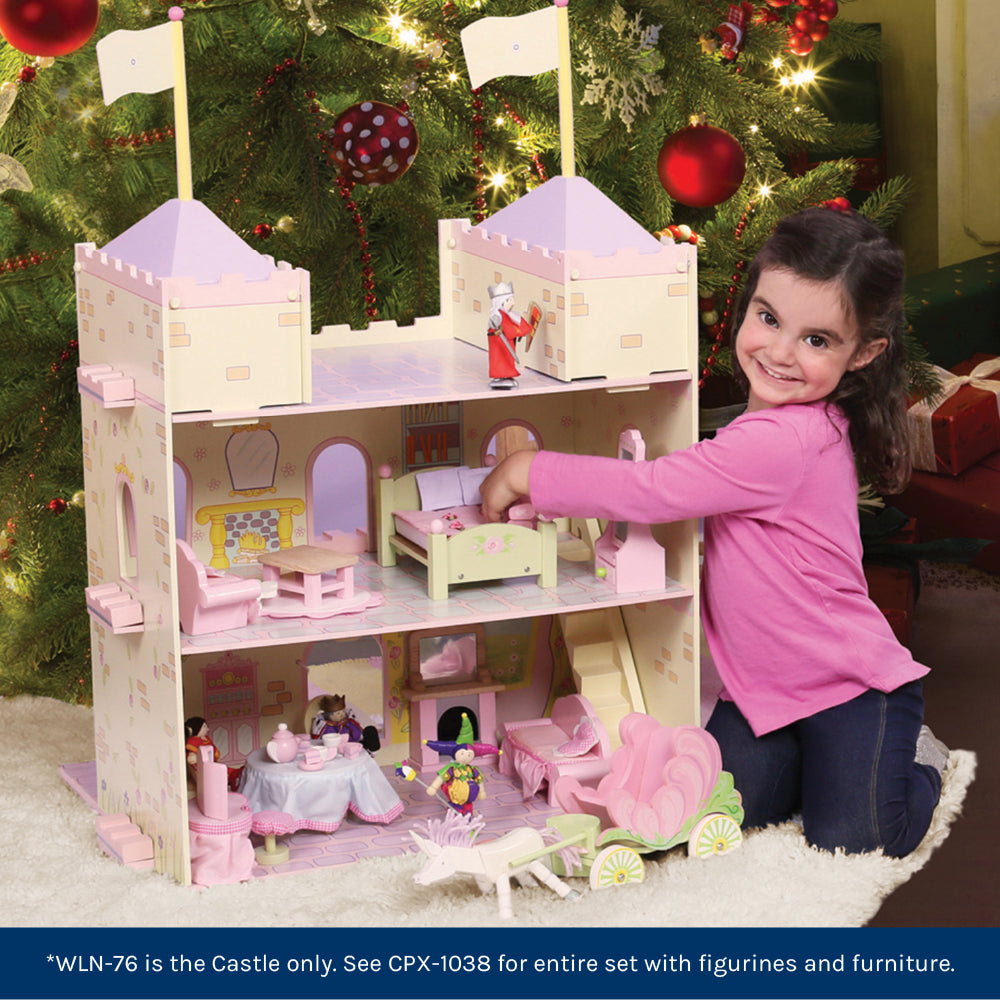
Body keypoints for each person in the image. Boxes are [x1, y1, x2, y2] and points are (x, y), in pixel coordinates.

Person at [479, 207, 948, 857]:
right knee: (724, 813)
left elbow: (656, 489)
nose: (780, 352)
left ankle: (918, 768)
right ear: (747, 302)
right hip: (761, 693)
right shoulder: (763, 433)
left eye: (817, 341)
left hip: (851, 685)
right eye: (768, 318)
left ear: (863, 353)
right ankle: (830, 770)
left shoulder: (784, 442)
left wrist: (532, 469)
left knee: (855, 838)